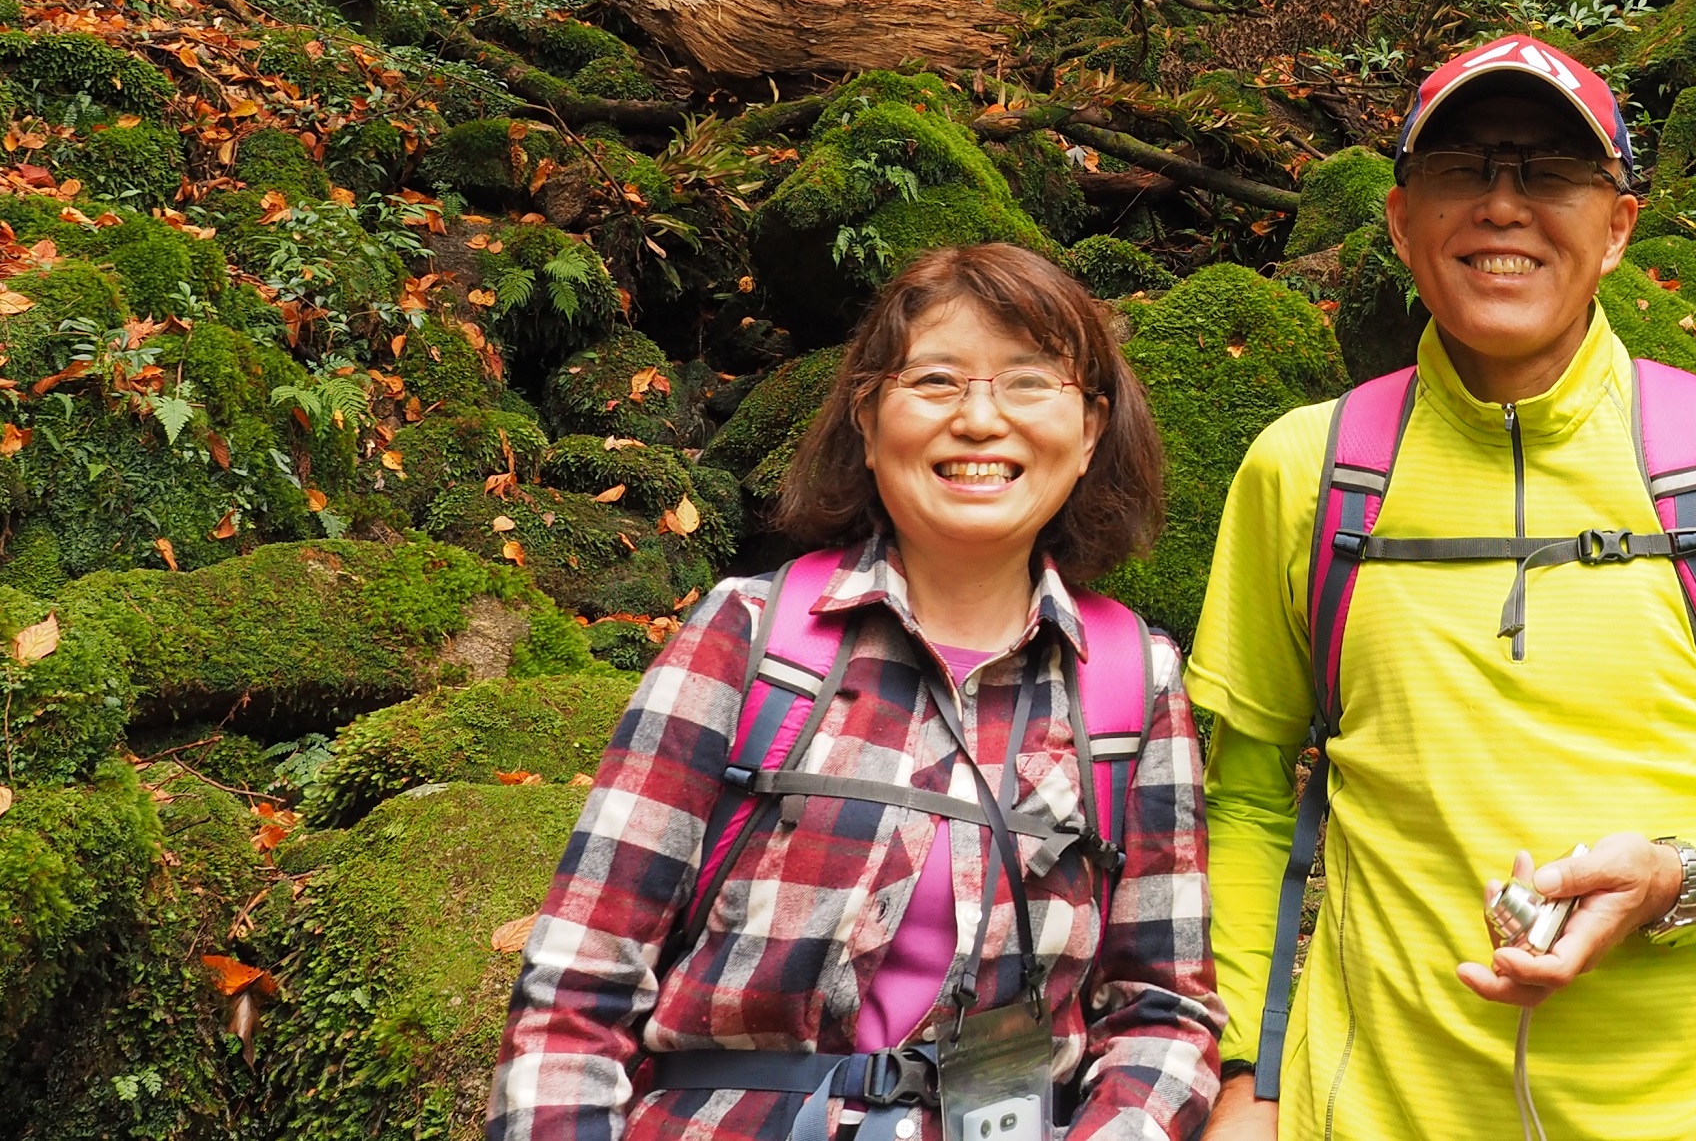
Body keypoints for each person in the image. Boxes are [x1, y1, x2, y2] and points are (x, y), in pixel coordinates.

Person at [1190, 35, 1696, 1140]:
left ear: (1618, 225)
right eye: (1464, 169)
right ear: (1398, 218)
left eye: (1550, 173)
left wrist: (1682, 878)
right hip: (1375, 1111)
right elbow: (1243, 802)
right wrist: (1247, 1067)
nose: (1502, 206)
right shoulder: (1306, 475)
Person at [489, 242, 1224, 1141]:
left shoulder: (1129, 683)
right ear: (870, 421)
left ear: (1091, 430)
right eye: (937, 381)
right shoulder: (750, 636)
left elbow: (1162, 1014)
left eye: (1029, 382)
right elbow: (576, 987)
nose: (981, 420)